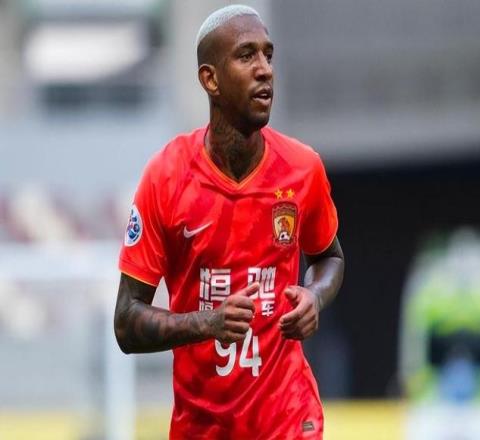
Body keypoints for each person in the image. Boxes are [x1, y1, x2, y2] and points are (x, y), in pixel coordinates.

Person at [114, 4, 344, 439]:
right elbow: (126, 322)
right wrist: (208, 323)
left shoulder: (302, 168)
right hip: (202, 427)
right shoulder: (166, 177)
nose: (265, 70)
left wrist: (314, 296)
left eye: (268, 55)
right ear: (210, 79)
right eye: (246, 55)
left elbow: (329, 257)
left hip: (288, 418)